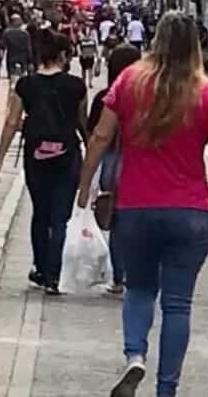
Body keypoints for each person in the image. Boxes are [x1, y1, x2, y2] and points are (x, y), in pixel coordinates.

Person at [77, 12, 208, 397]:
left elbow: (100, 137)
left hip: (135, 210)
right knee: (177, 305)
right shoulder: (206, 94)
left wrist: (84, 185)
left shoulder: (129, 82)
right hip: (190, 213)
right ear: (195, 46)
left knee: (140, 290)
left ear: (156, 40)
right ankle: (166, 389)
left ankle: (135, 354)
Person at [0, 30, 87, 296]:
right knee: (60, 218)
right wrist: (92, 160)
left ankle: (41, 269)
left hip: (36, 156)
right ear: (64, 55)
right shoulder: (76, 86)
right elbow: (83, 123)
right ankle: (54, 276)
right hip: (67, 154)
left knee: (40, 213)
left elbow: (12, 122)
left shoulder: (25, 85)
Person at [86, 42, 143, 296]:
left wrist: (86, 179)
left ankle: (119, 277)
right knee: (139, 218)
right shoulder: (149, 97)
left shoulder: (104, 97)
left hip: (111, 161)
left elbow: (93, 132)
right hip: (141, 162)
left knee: (117, 220)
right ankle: (137, 273)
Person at [2, 14, 32, 85]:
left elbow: (3, 46)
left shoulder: (6, 33)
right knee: (23, 77)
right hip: (23, 58)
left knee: (12, 78)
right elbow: (28, 48)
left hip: (11, 58)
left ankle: (12, 88)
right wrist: (30, 61)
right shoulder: (25, 33)